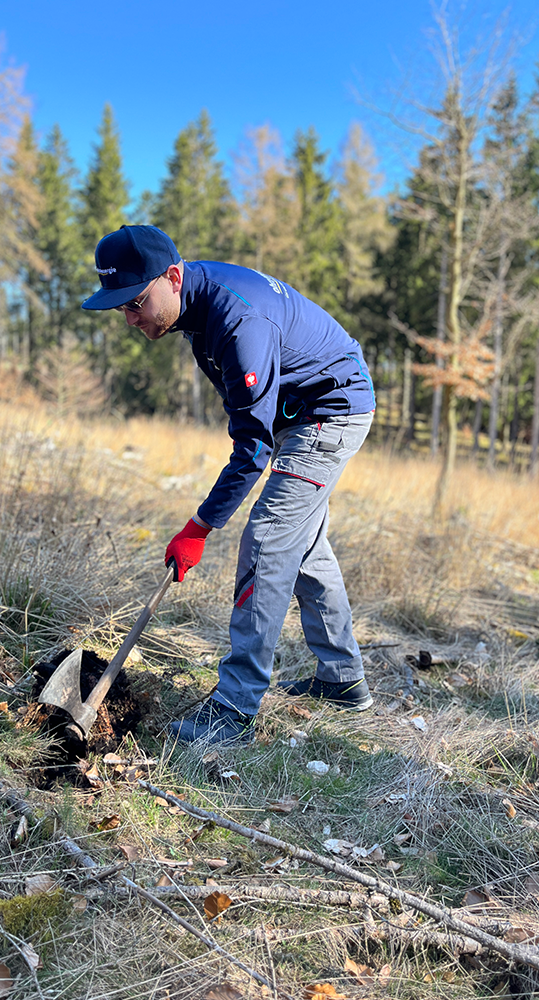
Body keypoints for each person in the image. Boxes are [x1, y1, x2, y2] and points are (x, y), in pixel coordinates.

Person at [83, 224, 375, 746]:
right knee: (303, 545)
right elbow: (247, 418)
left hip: (331, 410)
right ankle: (342, 680)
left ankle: (235, 710)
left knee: (267, 539)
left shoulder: (238, 319)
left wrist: (199, 526)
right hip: (297, 413)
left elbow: (253, 448)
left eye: (136, 303)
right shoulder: (193, 309)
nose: (130, 319)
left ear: (172, 277)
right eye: (121, 308)